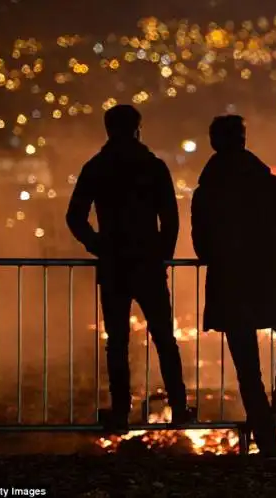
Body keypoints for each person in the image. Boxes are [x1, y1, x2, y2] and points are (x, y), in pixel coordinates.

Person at [66, 104, 195, 432]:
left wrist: (97, 245)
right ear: (138, 128)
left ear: (108, 130)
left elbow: (74, 217)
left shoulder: (97, 167)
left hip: (113, 266)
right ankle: (179, 408)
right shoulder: (152, 166)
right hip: (148, 264)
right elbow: (170, 217)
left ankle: (120, 412)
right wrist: (162, 254)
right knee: (165, 338)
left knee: (117, 342)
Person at [191, 115, 276, 456]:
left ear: (214, 143)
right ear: (243, 140)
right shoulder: (271, 185)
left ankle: (266, 439)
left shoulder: (206, 193)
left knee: (248, 369)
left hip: (231, 288)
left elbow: (202, 247)